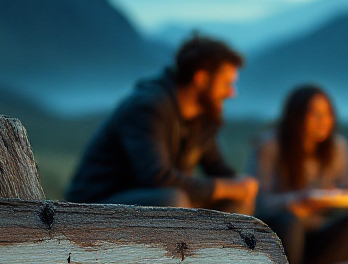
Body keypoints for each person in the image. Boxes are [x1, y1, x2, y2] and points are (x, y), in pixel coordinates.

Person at [64, 35, 258, 213]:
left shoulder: (202, 118)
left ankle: (216, 252)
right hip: (98, 202)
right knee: (171, 199)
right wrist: (226, 188)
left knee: (238, 202)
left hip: (154, 199)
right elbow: (156, 177)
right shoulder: (149, 107)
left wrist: (240, 183)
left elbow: (216, 167)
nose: (232, 93)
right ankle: (181, 252)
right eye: (226, 84)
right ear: (201, 79)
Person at [246, 85, 348, 264]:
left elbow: (342, 193)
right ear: (296, 116)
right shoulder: (271, 145)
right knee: (292, 221)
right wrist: (298, 199)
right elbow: (259, 202)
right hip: (279, 232)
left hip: (317, 230)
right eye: (315, 114)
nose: (323, 121)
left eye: (328, 114)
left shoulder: (338, 148)